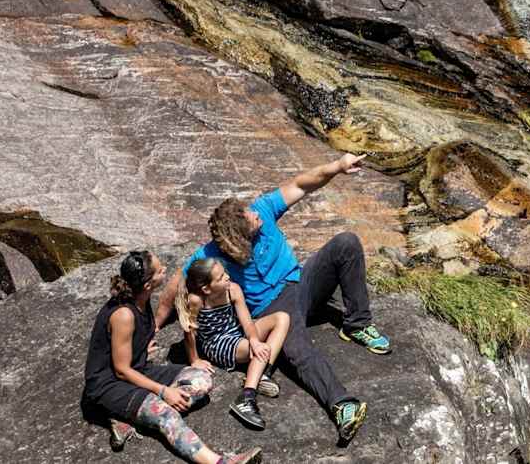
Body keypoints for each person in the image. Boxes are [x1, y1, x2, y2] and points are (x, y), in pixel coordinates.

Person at [158, 153, 391, 445]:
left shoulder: (263, 210)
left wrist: (338, 166)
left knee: (346, 242)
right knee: (301, 351)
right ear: (240, 239)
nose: (255, 214)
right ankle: (342, 404)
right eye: (251, 218)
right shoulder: (211, 255)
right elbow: (177, 284)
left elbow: (302, 184)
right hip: (274, 306)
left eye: (251, 212)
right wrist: (155, 324)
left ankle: (357, 323)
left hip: (301, 282)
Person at [82, 251, 261, 464]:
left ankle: (134, 413)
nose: (165, 270)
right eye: (159, 271)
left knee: (201, 379)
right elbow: (121, 370)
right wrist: (164, 392)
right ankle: (219, 462)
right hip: (109, 384)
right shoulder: (124, 314)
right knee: (166, 415)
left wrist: (140, 348)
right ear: (148, 284)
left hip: (138, 370)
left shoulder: (142, 299)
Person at [179, 258, 290, 430]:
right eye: (220, 277)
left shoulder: (233, 290)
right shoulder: (196, 300)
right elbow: (189, 331)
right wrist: (194, 359)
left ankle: (262, 374)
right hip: (217, 343)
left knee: (282, 318)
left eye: (225, 272)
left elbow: (247, 322)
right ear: (206, 288)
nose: (227, 277)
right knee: (264, 349)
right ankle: (246, 396)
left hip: (236, 333)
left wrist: (254, 340)